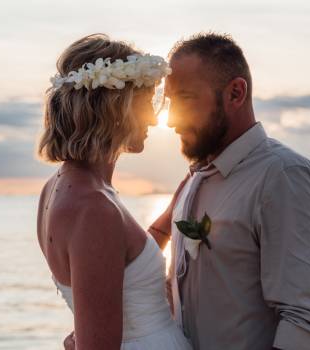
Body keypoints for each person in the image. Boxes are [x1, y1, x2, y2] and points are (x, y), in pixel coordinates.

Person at [164, 32, 310, 350]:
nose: (171, 119)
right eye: (169, 102)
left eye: (186, 98)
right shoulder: (194, 180)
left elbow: (304, 321)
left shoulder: (283, 175)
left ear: (235, 93)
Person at [36, 33, 192, 350]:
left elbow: (118, 263)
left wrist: (177, 207)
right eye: (146, 103)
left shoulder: (59, 188)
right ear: (114, 107)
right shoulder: (93, 207)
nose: (153, 117)